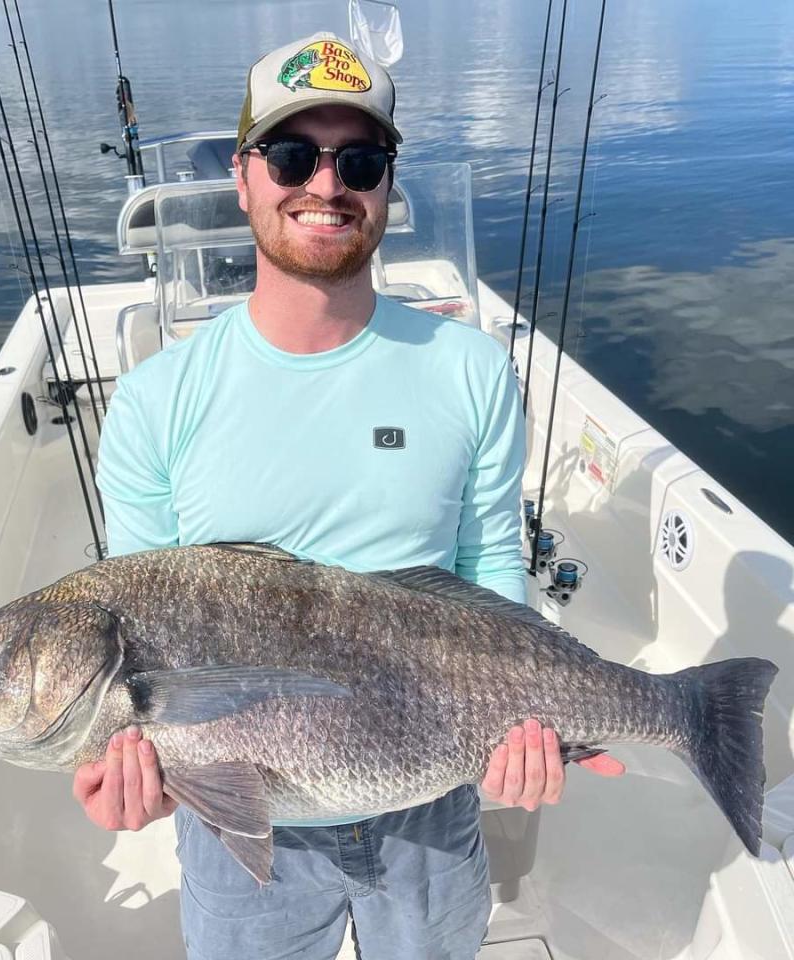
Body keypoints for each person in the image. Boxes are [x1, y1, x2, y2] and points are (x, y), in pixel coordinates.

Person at [74, 31, 624, 959]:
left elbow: (488, 564)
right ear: (244, 176)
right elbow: (141, 624)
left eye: (359, 160)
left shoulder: (470, 370)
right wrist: (126, 766)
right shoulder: (156, 399)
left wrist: (530, 721)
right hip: (236, 822)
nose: (325, 185)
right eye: (292, 155)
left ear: (386, 187)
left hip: (429, 801)